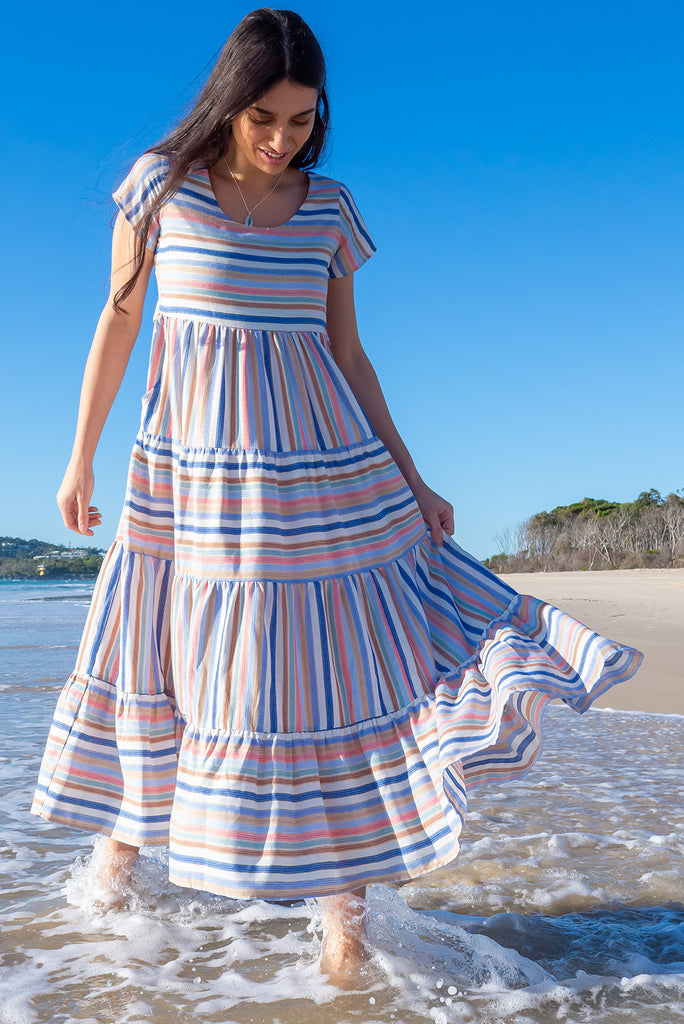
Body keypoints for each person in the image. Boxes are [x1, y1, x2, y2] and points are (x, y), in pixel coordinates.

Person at [31, 7, 643, 982]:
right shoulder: (160, 189)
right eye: (264, 117)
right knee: (162, 654)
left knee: (331, 678)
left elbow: (349, 355)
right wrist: (77, 460)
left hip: (320, 474)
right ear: (229, 103)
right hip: (192, 476)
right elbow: (116, 323)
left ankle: (343, 927)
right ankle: (115, 865)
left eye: (303, 119)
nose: (283, 139)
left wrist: (413, 473)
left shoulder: (327, 209)